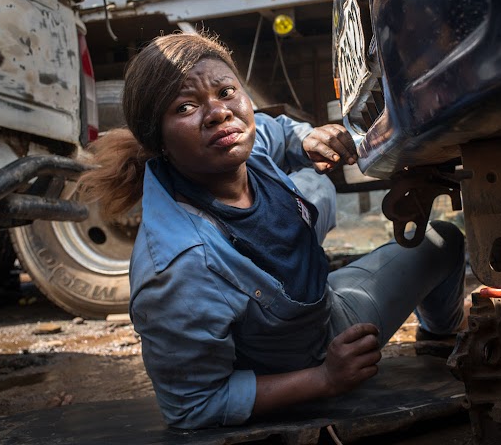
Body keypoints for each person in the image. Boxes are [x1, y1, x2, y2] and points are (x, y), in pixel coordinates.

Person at [80, 33, 466, 430]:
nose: (218, 112)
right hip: (308, 360)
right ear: (157, 140)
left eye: (226, 91)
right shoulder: (180, 268)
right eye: (186, 107)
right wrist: (324, 379)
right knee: (325, 193)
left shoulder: (241, 143)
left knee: (446, 241)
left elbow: (275, 130)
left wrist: (306, 138)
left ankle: (436, 341)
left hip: (327, 307)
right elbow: (192, 406)